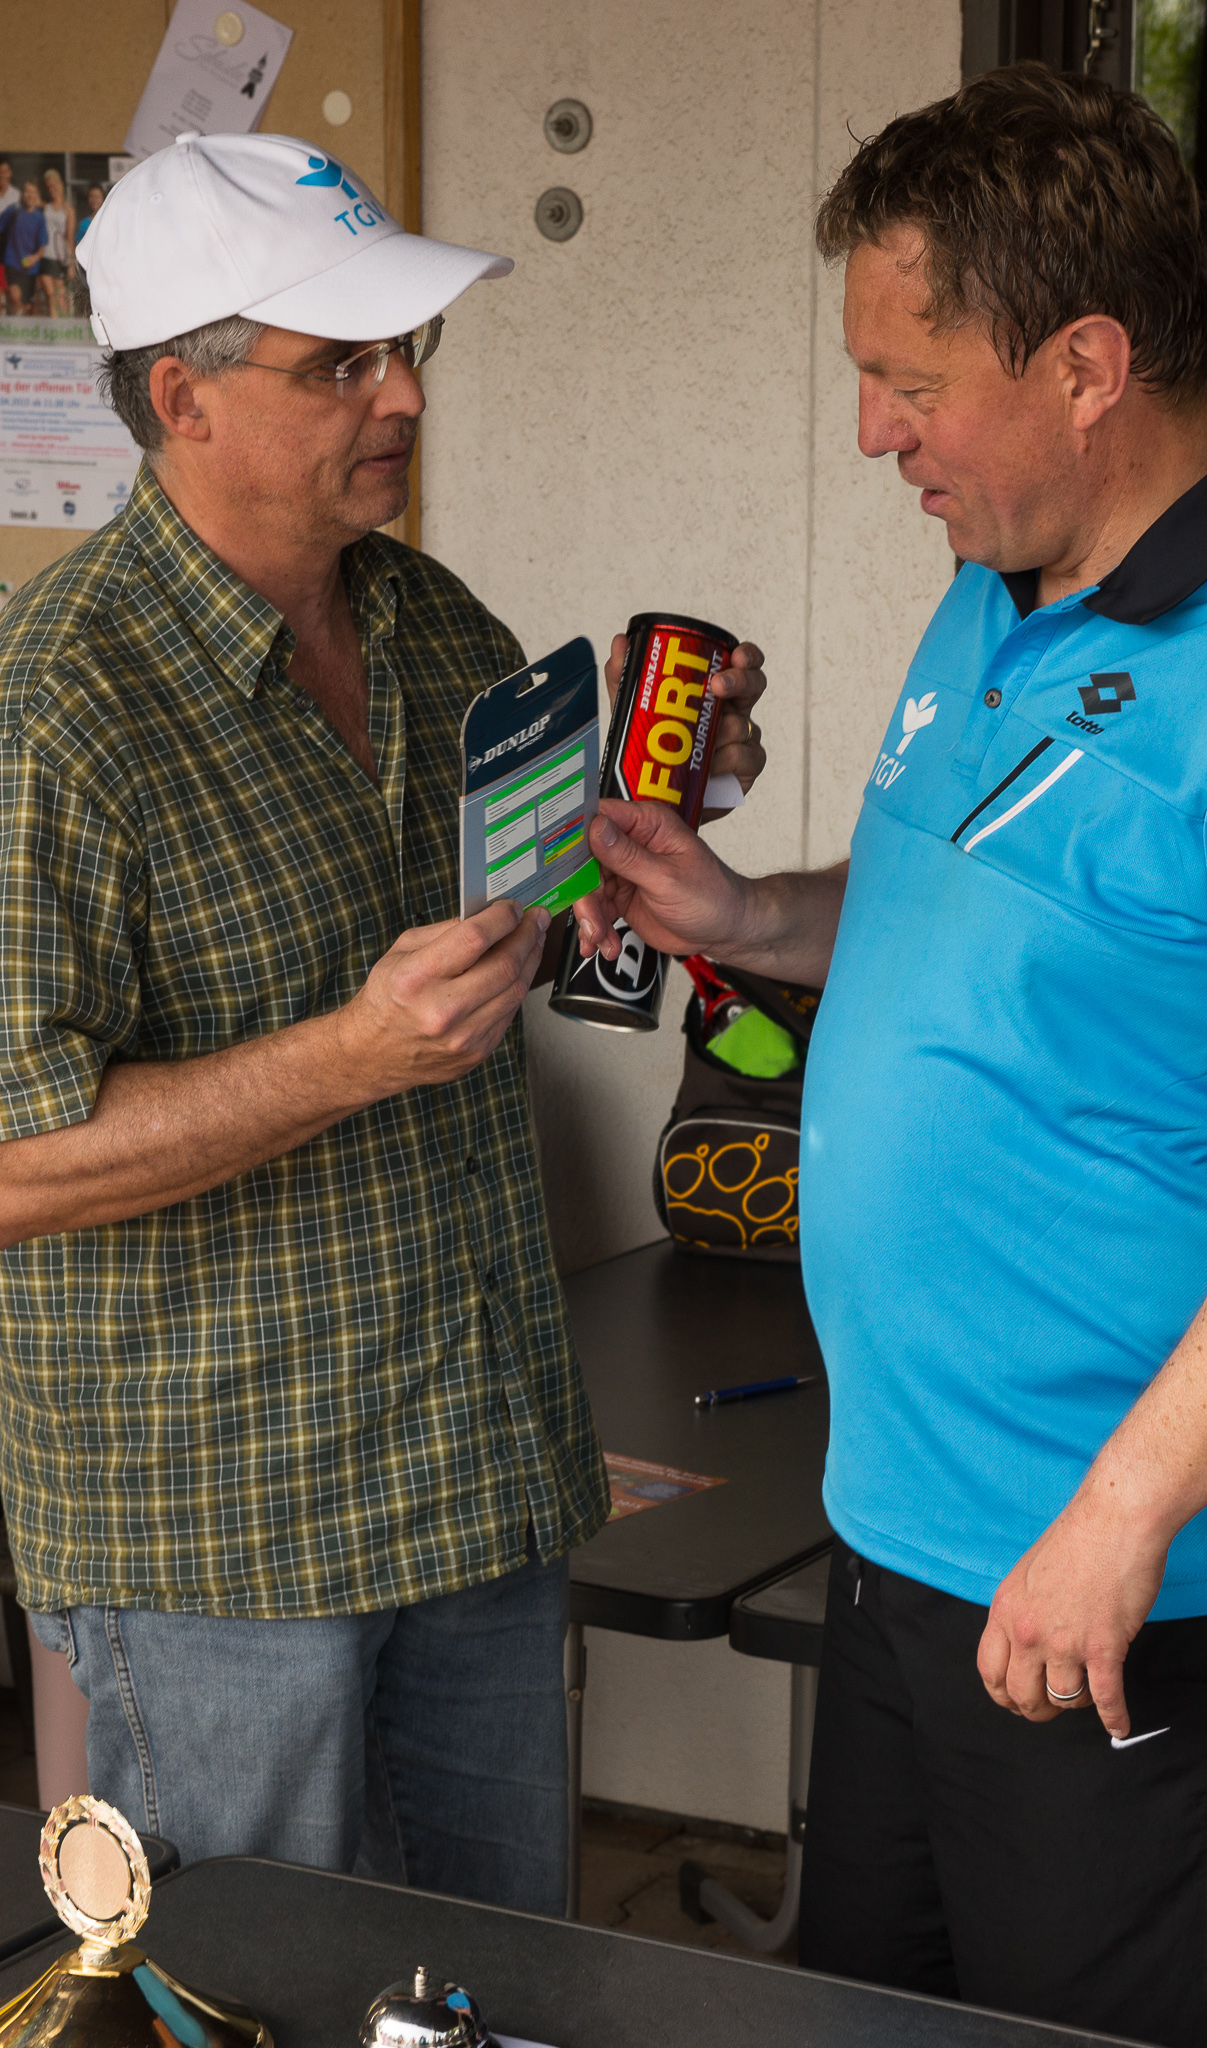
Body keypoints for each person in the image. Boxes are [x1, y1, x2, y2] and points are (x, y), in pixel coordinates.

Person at [578, 64, 1207, 2048]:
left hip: (1144, 1587)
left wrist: (1115, 1519)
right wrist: (746, 916)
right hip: (909, 1532)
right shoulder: (997, 589)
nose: (871, 429)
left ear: (1082, 364)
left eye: (908, 379)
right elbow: (975, 925)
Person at [0, 131, 765, 1909]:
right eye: (339, 362)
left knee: (492, 1992)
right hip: (222, 1541)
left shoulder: (434, 624)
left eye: (407, 347)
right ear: (182, 396)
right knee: (248, 1999)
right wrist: (346, 1058)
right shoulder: (53, 712)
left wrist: (650, 823)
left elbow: (523, 940)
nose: (404, 394)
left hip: (470, 1474)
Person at [3, 181, 45, 315]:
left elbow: (43, 244)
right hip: (12, 261)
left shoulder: (40, 217)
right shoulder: (13, 210)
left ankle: (19, 320)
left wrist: (34, 258)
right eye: (27, 191)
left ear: (37, 195)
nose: (29, 195)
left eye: (33, 192)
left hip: (31, 268)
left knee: (27, 307)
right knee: (15, 295)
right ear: (22, 193)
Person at [37, 167, 75, 316]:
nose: (51, 189)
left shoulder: (68, 209)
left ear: (59, 185)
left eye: (53, 185)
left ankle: (63, 328)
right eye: (48, 187)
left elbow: (69, 238)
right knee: (50, 295)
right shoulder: (44, 206)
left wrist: (71, 264)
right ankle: (54, 329)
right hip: (45, 257)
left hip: (60, 260)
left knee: (60, 298)